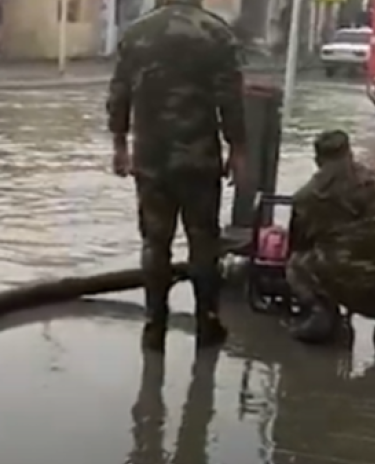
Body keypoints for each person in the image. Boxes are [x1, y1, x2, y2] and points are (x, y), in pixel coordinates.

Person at [107, 0, 247, 352]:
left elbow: (119, 92)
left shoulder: (137, 32)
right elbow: (230, 98)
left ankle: (154, 327)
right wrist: (239, 148)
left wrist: (120, 144)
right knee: (204, 242)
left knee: (155, 242)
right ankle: (207, 324)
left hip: (151, 158)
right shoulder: (215, 32)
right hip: (198, 158)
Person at [287, 130, 375, 346]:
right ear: (350, 153)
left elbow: (298, 243)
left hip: (348, 285)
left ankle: (322, 311)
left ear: (318, 160)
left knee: (295, 263)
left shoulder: (307, 197)